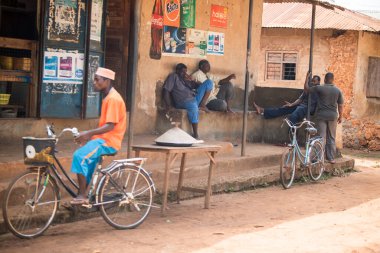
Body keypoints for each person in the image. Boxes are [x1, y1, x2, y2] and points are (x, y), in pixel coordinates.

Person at [70, 67, 127, 205]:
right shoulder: (108, 97)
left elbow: (110, 126)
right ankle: (84, 194)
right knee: (85, 159)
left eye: (97, 80)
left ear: (107, 81)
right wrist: (88, 137)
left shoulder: (113, 99)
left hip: (109, 142)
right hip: (102, 140)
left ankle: (82, 195)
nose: (94, 83)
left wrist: (88, 134)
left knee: (79, 156)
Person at [163, 63, 212, 139]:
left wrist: (191, 80)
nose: (184, 73)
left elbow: (198, 86)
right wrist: (168, 105)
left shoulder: (185, 79)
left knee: (209, 82)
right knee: (193, 106)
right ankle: (195, 134)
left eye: (185, 71)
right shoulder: (173, 77)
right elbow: (166, 90)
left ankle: (202, 104)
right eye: (182, 71)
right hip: (183, 101)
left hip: (194, 98)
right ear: (177, 71)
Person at [304, 72, 344, 164]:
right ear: (333, 80)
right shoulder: (338, 91)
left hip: (321, 116)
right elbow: (340, 105)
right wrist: (341, 116)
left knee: (321, 137)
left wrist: (307, 78)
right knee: (331, 138)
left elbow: (307, 89)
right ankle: (331, 158)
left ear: (325, 80)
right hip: (333, 116)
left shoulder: (320, 88)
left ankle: (318, 158)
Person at [253, 72, 321, 124]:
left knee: (293, 116)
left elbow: (306, 89)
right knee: (284, 109)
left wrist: (306, 79)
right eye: (312, 81)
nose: (312, 82)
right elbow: (300, 99)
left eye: (314, 81)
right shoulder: (310, 87)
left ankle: (292, 137)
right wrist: (292, 104)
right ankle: (263, 111)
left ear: (318, 82)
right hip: (301, 106)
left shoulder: (318, 89)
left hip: (308, 109)